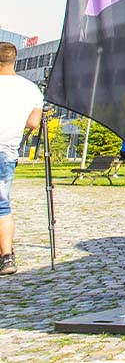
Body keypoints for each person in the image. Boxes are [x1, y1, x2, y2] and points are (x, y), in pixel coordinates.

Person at [0, 42, 43, 276]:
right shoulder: (31, 89)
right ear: (14, 60)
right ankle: (7, 257)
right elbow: (33, 123)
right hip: (6, 150)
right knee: (2, 205)